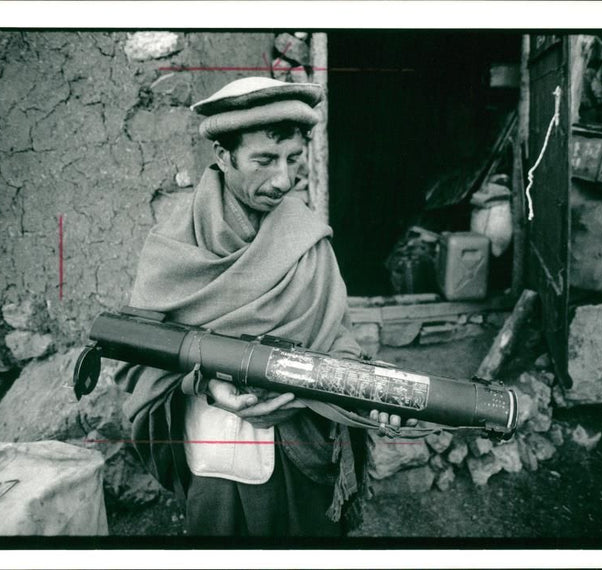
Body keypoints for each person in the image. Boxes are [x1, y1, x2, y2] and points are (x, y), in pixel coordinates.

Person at [115, 77, 409, 537]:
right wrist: (209, 386)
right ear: (222, 155)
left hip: (303, 457)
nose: (283, 180)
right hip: (213, 463)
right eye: (265, 160)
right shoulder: (173, 249)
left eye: (294, 160)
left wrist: (368, 395)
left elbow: (338, 342)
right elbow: (137, 356)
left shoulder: (310, 243)